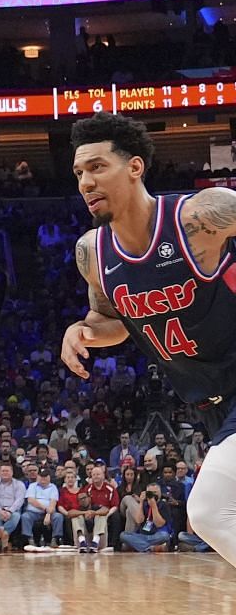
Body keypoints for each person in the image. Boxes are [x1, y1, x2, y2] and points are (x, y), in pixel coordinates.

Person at [62, 114, 236, 572]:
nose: (85, 181)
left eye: (97, 167)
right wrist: (80, 332)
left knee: (209, 511)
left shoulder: (200, 217)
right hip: (213, 402)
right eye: (79, 172)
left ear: (135, 167)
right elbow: (111, 321)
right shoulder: (92, 253)